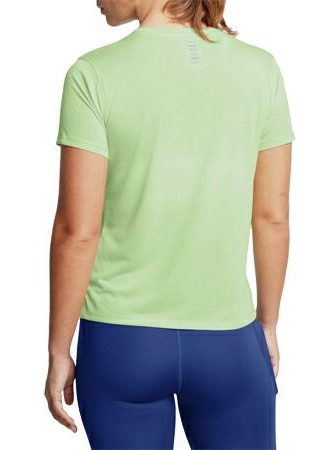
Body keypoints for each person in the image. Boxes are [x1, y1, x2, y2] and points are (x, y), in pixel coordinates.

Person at [44, 0, 295, 448]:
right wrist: (268, 326)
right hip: (229, 343)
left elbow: (76, 231)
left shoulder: (93, 75)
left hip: (122, 343)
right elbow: (271, 216)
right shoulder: (261, 71)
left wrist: (59, 349)